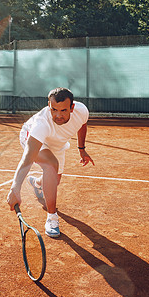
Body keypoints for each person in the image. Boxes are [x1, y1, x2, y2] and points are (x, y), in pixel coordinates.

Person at [7, 87, 94, 237]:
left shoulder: (82, 111)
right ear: (49, 106)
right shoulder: (41, 124)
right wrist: (15, 188)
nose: (58, 115)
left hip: (57, 143)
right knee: (51, 165)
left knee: (55, 180)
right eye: (54, 110)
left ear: (72, 108)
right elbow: (28, 157)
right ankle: (52, 217)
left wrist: (82, 149)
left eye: (63, 111)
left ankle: (37, 183)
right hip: (33, 138)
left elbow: (82, 125)